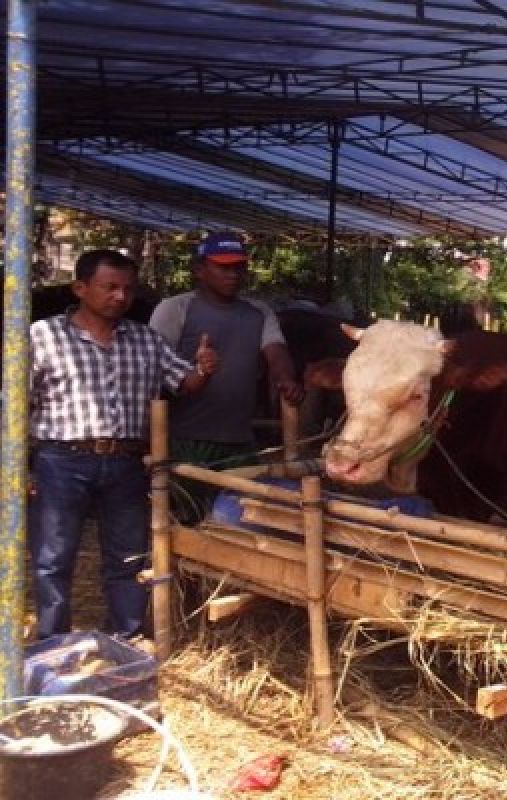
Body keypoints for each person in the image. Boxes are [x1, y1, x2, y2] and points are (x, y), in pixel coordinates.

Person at [29, 249, 219, 641]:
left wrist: (202, 369)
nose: (120, 297)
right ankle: (53, 642)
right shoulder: (42, 336)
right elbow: (15, 403)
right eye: (109, 287)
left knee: (128, 556)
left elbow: (184, 384)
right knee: (53, 558)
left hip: (127, 462)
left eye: (127, 289)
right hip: (62, 459)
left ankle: (125, 638)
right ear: (80, 288)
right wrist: (19, 465)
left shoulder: (146, 339)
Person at [148, 232, 303, 518]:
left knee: (243, 516)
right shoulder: (175, 309)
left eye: (238, 267)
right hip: (186, 437)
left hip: (238, 436)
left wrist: (285, 379)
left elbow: (276, 350)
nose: (233, 275)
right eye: (223, 267)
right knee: (186, 516)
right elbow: (154, 365)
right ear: (200, 270)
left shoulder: (259, 312)